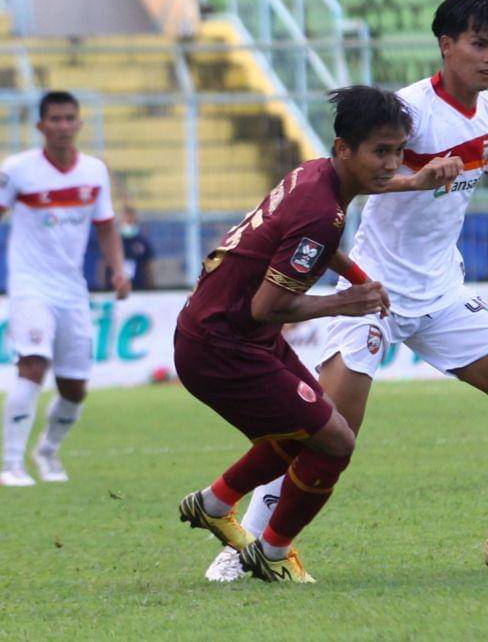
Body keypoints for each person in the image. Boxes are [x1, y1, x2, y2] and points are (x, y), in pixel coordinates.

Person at [205, 0, 488, 581]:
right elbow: (347, 180)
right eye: (478, 44)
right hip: (373, 293)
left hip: (441, 292)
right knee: (320, 429)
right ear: (446, 45)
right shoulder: (407, 112)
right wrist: (417, 178)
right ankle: (246, 547)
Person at [176, 86, 440, 583]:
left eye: (398, 152)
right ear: (344, 148)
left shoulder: (315, 173)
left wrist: (360, 278)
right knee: (334, 441)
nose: (392, 164)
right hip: (223, 345)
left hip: (223, 329)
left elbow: (316, 244)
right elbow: (267, 306)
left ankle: (215, 503)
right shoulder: (323, 213)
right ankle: (272, 555)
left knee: (310, 428)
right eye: (380, 152)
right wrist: (346, 299)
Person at [0, 90, 131, 486]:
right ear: (41, 125)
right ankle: (11, 464)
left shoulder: (93, 171)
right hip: (29, 285)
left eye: (69, 118)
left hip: (72, 290)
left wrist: (118, 270)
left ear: (79, 124)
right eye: (54, 119)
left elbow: (106, 226)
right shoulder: (18, 169)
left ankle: (47, 451)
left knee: (74, 388)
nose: (62, 126)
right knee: (33, 365)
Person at [118, 205, 155, 290]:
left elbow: (149, 265)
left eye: (131, 220)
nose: (129, 222)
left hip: (139, 287)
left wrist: (151, 285)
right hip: (118, 288)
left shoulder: (142, 241)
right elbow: (104, 264)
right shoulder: (115, 241)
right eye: (126, 220)